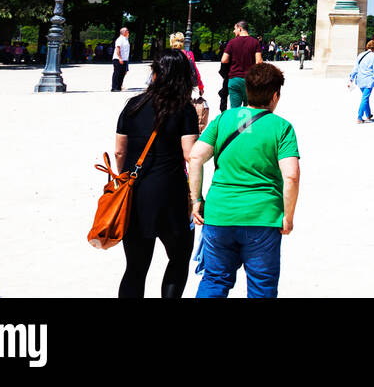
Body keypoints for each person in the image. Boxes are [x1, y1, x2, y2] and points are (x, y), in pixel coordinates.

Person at [189, 63, 300, 298]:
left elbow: (196, 156)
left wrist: (196, 199)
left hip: (220, 213)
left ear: (247, 90)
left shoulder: (224, 119)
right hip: (263, 216)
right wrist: (288, 216)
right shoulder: (282, 127)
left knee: (214, 280)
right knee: (261, 287)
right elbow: (291, 175)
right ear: (275, 95)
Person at [115, 49, 200, 297]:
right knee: (178, 258)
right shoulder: (184, 110)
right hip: (170, 193)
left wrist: (126, 178)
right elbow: (189, 154)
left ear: (155, 74)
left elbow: (120, 152)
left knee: (135, 267)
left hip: (136, 192)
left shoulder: (133, 105)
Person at [220, 21, 262, 110]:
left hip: (234, 79)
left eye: (234, 29)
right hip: (250, 80)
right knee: (249, 109)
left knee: (234, 109)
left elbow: (224, 60)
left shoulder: (231, 43)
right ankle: (247, 124)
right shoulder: (255, 42)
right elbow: (259, 62)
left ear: (240, 28)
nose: (233, 31)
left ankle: (235, 124)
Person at [352, 39, 374, 122]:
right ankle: (359, 117)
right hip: (369, 79)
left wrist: (351, 78)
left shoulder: (361, 55)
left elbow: (355, 68)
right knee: (365, 98)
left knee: (365, 97)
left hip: (360, 79)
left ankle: (368, 114)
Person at [112, 27, 131, 92]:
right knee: (117, 73)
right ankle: (114, 87)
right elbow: (118, 49)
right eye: (127, 31)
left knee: (122, 73)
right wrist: (120, 58)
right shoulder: (120, 39)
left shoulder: (126, 39)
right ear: (124, 32)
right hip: (118, 59)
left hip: (125, 59)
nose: (128, 32)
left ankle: (119, 87)